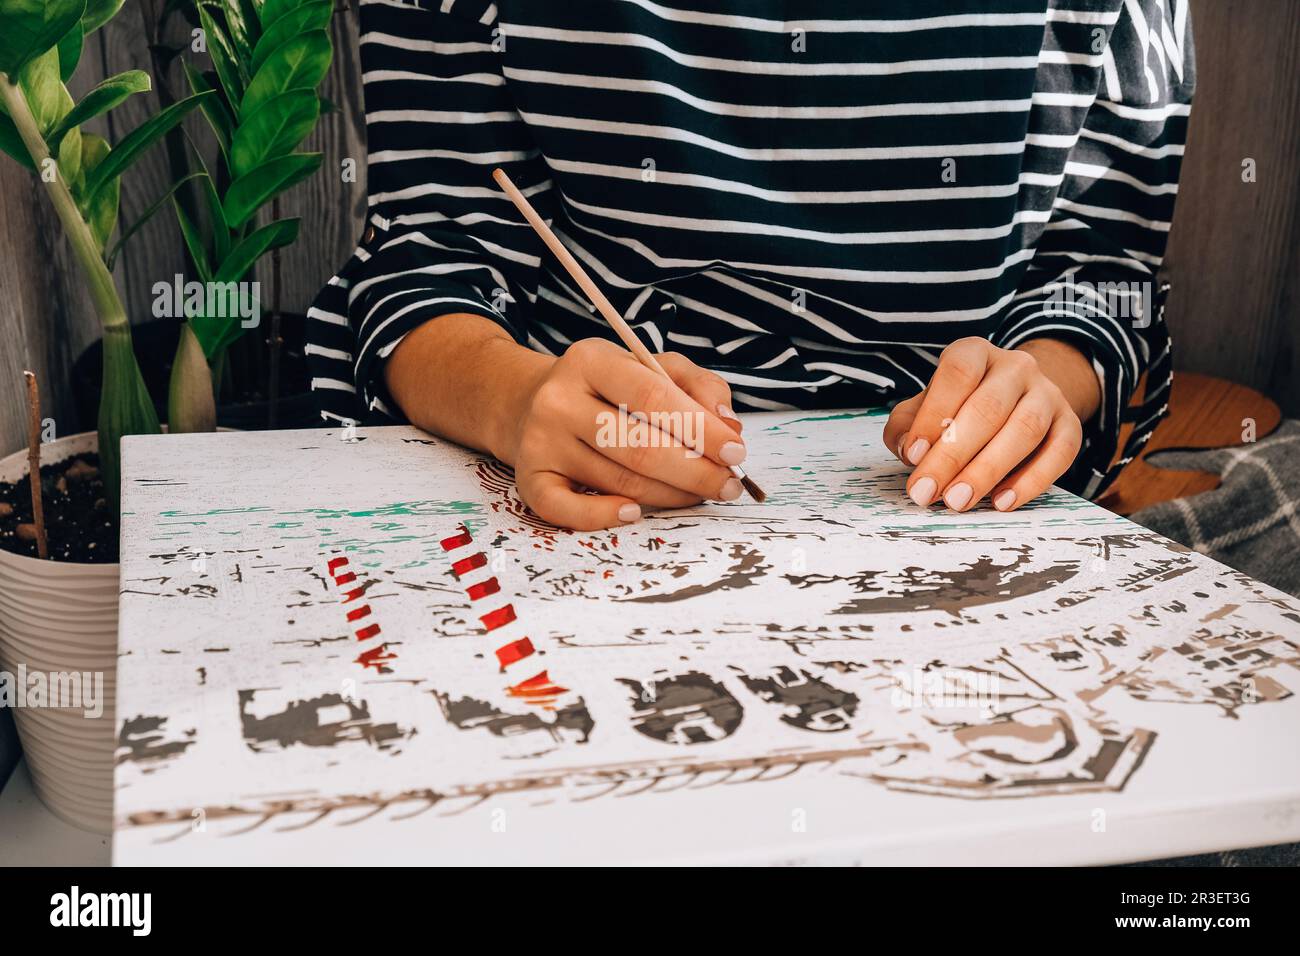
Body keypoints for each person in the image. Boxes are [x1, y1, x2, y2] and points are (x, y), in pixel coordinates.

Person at [308, 0, 1192, 530]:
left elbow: (1101, 274)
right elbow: (430, 249)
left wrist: (1037, 386)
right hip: (575, 488)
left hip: (950, 507)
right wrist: (515, 399)